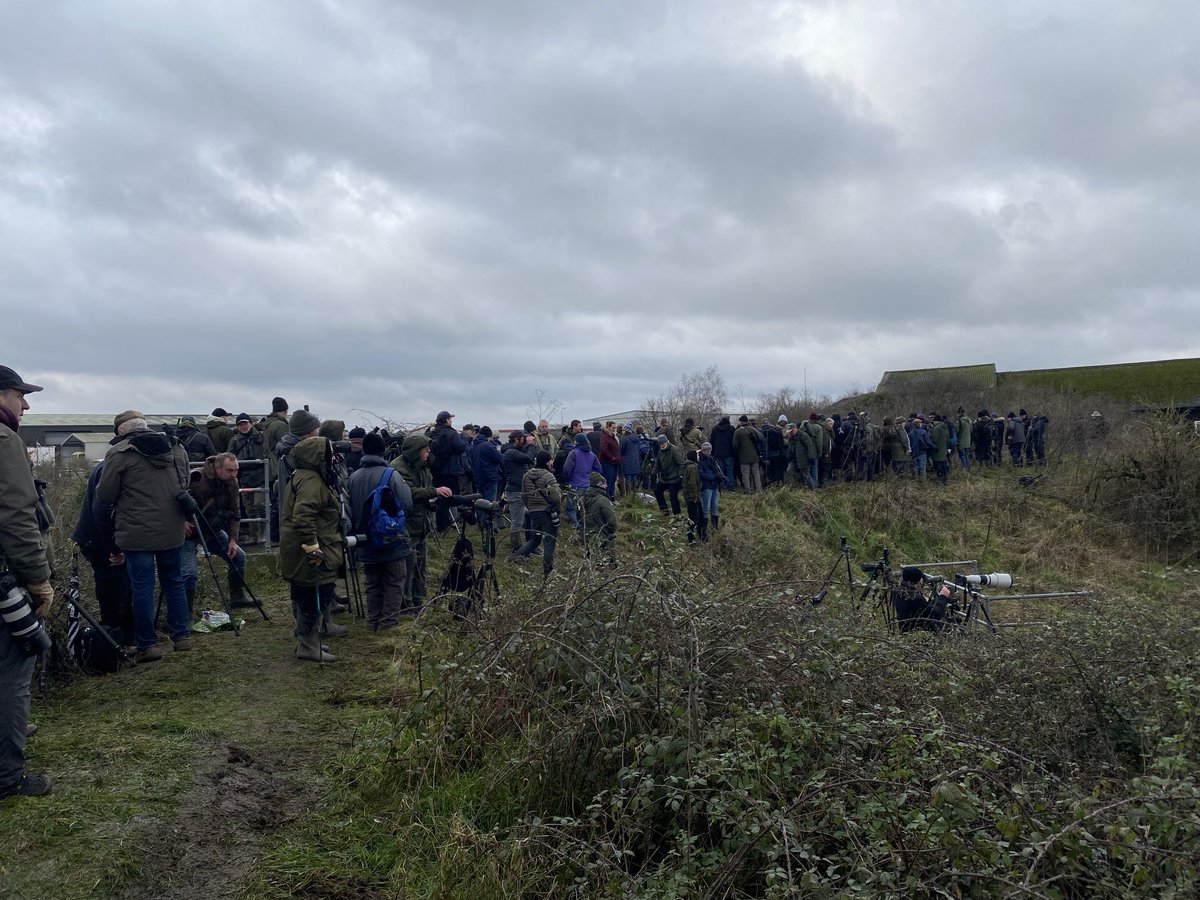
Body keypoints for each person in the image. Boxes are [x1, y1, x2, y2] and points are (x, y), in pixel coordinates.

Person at [96, 409, 192, 663]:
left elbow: (105, 494)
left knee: (142, 586)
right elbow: (184, 485)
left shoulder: (119, 453)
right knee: (174, 580)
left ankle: (147, 645)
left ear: (121, 431)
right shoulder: (176, 447)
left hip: (135, 531)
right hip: (172, 527)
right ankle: (181, 636)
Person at [0, 365, 54, 798]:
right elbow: (18, 516)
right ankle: (7, 777)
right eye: (20, 394)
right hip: (4, 582)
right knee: (12, 673)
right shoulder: (4, 440)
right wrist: (38, 579)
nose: (26, 403)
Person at [71, 411, 137, 643]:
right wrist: (115, 548)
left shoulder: (118, 459)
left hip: (101, 535)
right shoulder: (112, 463)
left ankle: (123, 638)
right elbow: (101, 511)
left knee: (120, 586)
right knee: (113, 588)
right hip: (98, 539)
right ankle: (114, 642)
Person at [279, 435, 344, 662]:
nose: (333, 457)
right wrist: (312, 547)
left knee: (305, 592)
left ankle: (309, 639)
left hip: (300, 547)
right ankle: (307, 644)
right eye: (329, 453)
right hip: (313, 549)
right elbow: (303, 515)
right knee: (314, 593)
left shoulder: (302, 475)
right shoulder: (312, 481)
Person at [348, 432, 413, 631]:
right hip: (389, 538)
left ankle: (372, 621)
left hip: (363, 538)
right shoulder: (391, 474)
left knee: (372, 581)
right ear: (383, 451)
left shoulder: (353, 477)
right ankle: (388, 623)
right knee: (394, 580)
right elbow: (407, 503)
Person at [390, 434, 452, 612]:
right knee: (408, 567)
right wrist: (434, 492)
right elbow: (409, 492)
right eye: (426, 450)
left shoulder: (423, 466)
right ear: (416, 452)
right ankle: (406, 602)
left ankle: (418, 598)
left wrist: (433, 500)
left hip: (421, 523)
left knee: (420, 565)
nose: (429, 452)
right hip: (407, 524)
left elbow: (425, 487)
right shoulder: (397, 468)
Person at [182, 452, 249, 610]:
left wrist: (233, 539)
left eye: (236, 470)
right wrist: (181, 523)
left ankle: (237, 596)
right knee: (189, 574)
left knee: (238, 557)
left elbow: (235, 512)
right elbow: (173, 500)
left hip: (213, 530)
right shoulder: (195, 478)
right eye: (230, 470)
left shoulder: (232, 483)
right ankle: (185, 614)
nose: (234, 475)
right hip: (189, 534)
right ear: (217, 468)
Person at [512, 450, 561, 575]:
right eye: (550, 460)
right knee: (549, 540)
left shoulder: (527, 475)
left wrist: (531, 507)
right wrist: (557, 509)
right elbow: (556, 495)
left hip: (534, 512)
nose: (551, 462)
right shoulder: (548, 476)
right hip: (547, 512)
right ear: (547, 461)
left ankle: (515, 558)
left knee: (535, 539)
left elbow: (523, 495)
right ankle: (548, 570)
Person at [229, 412, 266, 544]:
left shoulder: (261, 437)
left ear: (250, 423)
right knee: (249, 507)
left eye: (245, 423)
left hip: (260, 476)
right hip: (244, 477)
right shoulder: (234, 440)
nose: (243, 426)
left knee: (260, 505)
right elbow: (229, 456)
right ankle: (254, 535)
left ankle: (263, 534)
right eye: (240, 424)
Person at [428, 411, 468, 531]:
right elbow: (461, 447)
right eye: (450, 419)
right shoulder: (452, 433)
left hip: (435, 469)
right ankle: (444, 524)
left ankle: (440, 523)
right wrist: (463, 437)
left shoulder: (432, 433)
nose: (451, 421)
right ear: (446, 420)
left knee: (439, 496)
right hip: (449, 471)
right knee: (448, 497)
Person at [501, 430, 537, 555]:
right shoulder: (510, 452)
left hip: (522, 490)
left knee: (529, 516)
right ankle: (517, 548)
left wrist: (528, 444)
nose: (524, 441)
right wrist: (531, 444)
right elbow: (528, 458)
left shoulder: (515, 451)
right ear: (516, 440)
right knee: (517, 522)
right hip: (515, 491)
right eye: (523, 439)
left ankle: (530, 545)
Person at [262, 397, 290, 541]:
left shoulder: (268, 424)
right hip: (278, 468)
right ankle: (277, 535)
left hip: (270, 468)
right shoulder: (280, 426)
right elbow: (287, 445)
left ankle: (272, 535)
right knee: (281, 502)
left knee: (273, 502)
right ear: (285, 410)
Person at [581, 472, 617, 564]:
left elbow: (579, 518)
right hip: (602, 536)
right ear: (599, 484)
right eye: (604, 483)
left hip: (587, 536)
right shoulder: (603, 500)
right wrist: (611, 531)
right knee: (605, 563)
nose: (606, 485)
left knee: (590, 562)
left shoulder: (582, 499)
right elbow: (612, 521)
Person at [653, 433, 684, 515]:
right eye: (660, 444)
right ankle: (664, 511)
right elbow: (658, 463)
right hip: (664, 477)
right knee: (657, 491)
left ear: (667, 442)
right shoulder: (660, 451)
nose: (662, 445)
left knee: (673, 497)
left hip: (674, 478)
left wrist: (680, 475)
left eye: (663, 443)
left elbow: (681, 463)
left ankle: (677, 516)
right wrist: (654, 471)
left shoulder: (674, 450)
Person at [469, 426, 503, 501]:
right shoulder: (488, 446)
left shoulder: (473, 446)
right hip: (490, 478)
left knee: (480, 502)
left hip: (478, 478)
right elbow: (499, 458)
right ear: (489, 436)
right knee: (489, 504)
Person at [734, 415, 763, 492]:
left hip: (743, 457)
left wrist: (738, 452)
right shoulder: (752, 429)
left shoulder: (737, 432)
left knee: (745, 474)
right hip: (754, 456)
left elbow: (734, 445)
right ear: (747, 421)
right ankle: (759, 489)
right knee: (756, 474)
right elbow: (761, 438)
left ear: (741, 422)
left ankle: (748, 490)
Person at [697, 442, 722, 531]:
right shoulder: (700, 461)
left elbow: (716, 470)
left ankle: (714, 528)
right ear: (703, 450)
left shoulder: (712, 459)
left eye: (710, 450)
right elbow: (701, 474)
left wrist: (721, 477)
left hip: (714, 486)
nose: (708, 452)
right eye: (707, 450)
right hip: (706, 486)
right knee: (706, 508)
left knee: (715, 507)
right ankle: (704, 530)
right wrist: (714, 477)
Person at [681, 449, 704, 542]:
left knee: (695, 517)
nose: (699, 457)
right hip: (693, 497)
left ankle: (696, 536)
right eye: (697, 455)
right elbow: (692, 483)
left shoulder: (689, 466)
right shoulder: (693, 468)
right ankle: (691, 538)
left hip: (690, 496)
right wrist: (695, 497)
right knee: (694, 518)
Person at [709, 415, 736, 490]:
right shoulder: (731, 429)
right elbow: (734, 441)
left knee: (720, 470)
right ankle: (730, 486)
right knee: (729, 470)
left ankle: (721, 486)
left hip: (718, 453)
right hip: (729, 453)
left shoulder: (715, 428)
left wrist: (712, 452)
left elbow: (711, 441)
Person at [597, 421, 621, 500]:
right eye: (613, 428)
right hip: (607, 462)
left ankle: (611, 496)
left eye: (615, 428)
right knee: (608, 480)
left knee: (613, 480)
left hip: (615, 462)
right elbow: (603, 449)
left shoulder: (614, 436)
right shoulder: (604, 436)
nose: (614, 429)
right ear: (608, 427)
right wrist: (611, 457)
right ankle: (606, 497)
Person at [618, 424, 642, 498]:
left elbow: (621, 450)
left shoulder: (625, 439)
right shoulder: (637, 439)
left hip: (627, 461)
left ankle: (629, 496)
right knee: (634, 478)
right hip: (635, 461)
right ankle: (635, 495)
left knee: (628, 479)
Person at [929, 414, 951, 485]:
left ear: (935, 421)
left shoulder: (936, 428)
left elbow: (934, 439)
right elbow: (948, 439)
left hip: (937, 450)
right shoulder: (945, 427)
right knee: (943, 465)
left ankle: (940, 481)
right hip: (944, 449)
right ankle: (945, 480)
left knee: (937, 466)